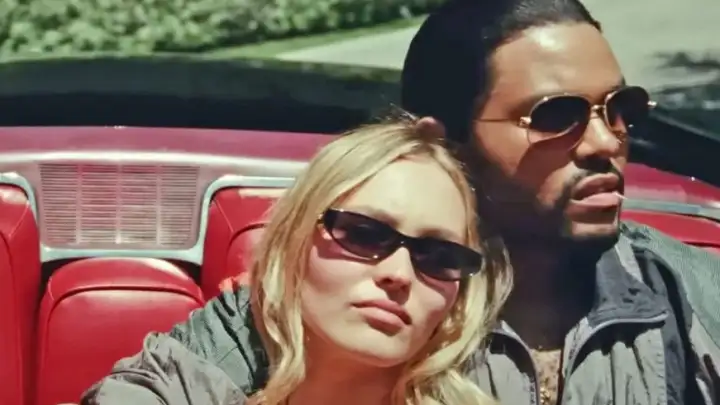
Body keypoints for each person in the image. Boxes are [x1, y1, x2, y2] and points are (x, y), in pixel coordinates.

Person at [400, 0, 720, 404]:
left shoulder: (696, 295)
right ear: (445, 147)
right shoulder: (386, 313)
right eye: (556, 116)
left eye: (619, 109)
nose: (606, 142)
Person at [81, 115, 513, 405]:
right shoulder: (191, 371)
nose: (399, 274)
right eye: (364, 234)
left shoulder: (495, 384)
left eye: (438, 256)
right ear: (294, 238)